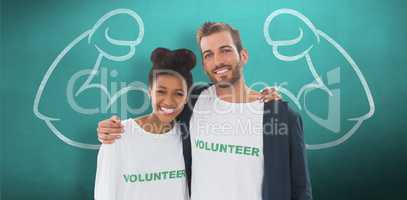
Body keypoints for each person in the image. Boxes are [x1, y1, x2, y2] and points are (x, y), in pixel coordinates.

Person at [97, 22, 311, 200]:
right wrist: (115, 128)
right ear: (204, 64)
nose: (217, 61)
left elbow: (301, 190)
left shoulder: (280, 117)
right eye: (208, 54)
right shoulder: (195, 101)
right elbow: (161, 115)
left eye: (225, 50)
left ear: (243, 55)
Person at [94, 47, 197, 200]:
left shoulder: (187, 137)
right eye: (161, 91)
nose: (168, 101)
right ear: (150, 91)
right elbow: (105, 193)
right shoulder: (118, 134)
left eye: (178, 93)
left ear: (186, 96)